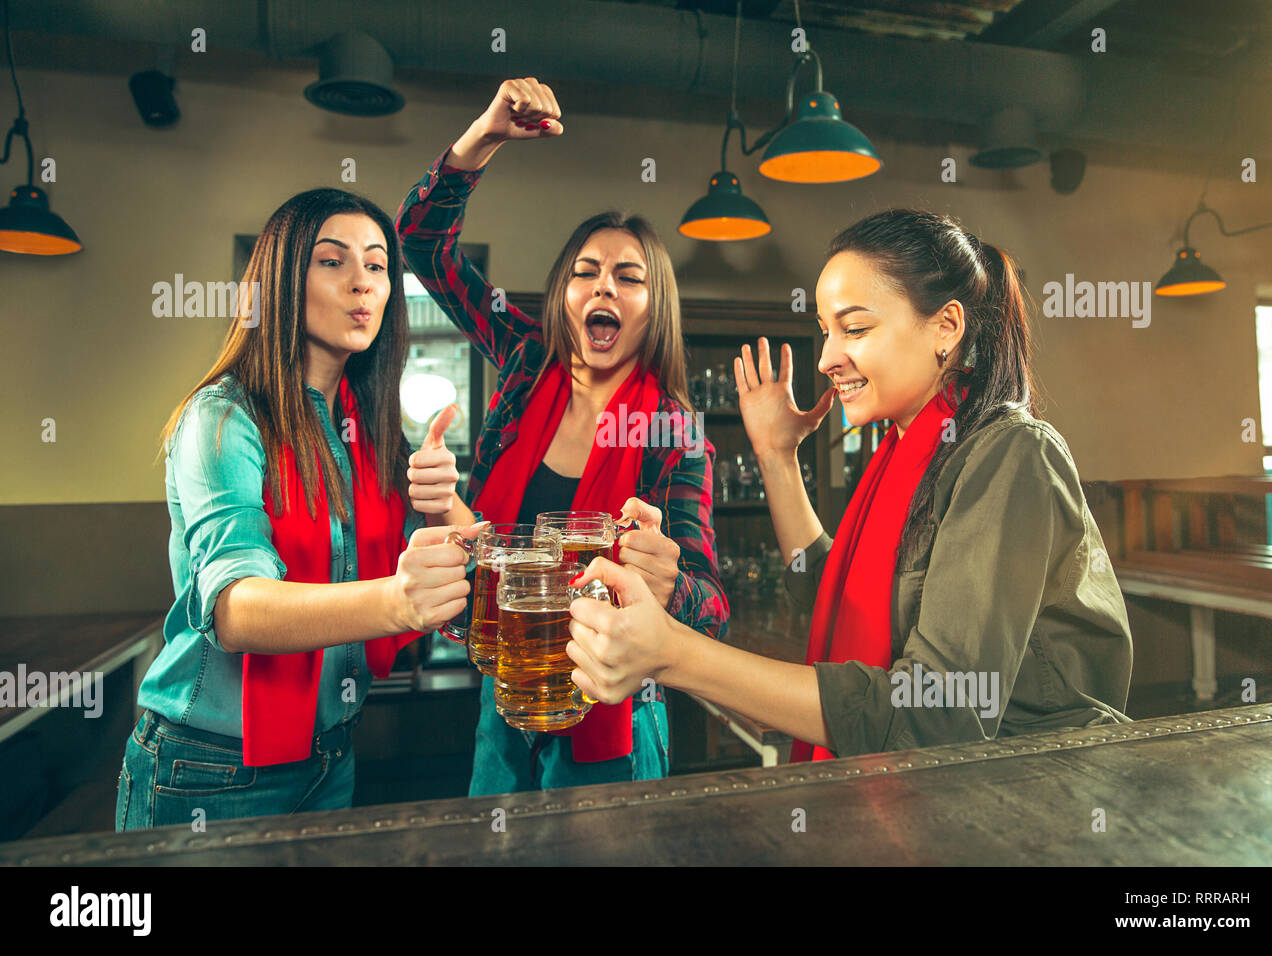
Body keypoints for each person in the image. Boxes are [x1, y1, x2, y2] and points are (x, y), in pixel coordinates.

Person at [567, 209, 1134, 760]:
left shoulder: (1011, 454)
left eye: (855, 328)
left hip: (1029, 795)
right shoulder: (903, 450)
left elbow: (934, 715)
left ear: (946, 327)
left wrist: (673, 654)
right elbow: (830, 600)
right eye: (824, 331)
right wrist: (776, 455)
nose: (828, 358)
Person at [395, 77, 728, 794]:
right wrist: (483, 136)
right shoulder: (524, 358)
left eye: (628, 277)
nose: (603, 287)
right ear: (564, 296)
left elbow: (712, 606)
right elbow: (422, 244)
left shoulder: (673, 430)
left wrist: (671, 584)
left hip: (616, 707)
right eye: (585, 272)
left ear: (653, 307)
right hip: (505, 691)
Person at [116, 188, 481, 829]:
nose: (362, 284)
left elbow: (479, 576)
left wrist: (442, 500)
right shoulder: (224, 418)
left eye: (376, 266)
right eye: (333, 262)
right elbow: (238, 609)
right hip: (207, 768)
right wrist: (396, 600)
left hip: (331, 759)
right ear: (283, 280)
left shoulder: (365, 431)